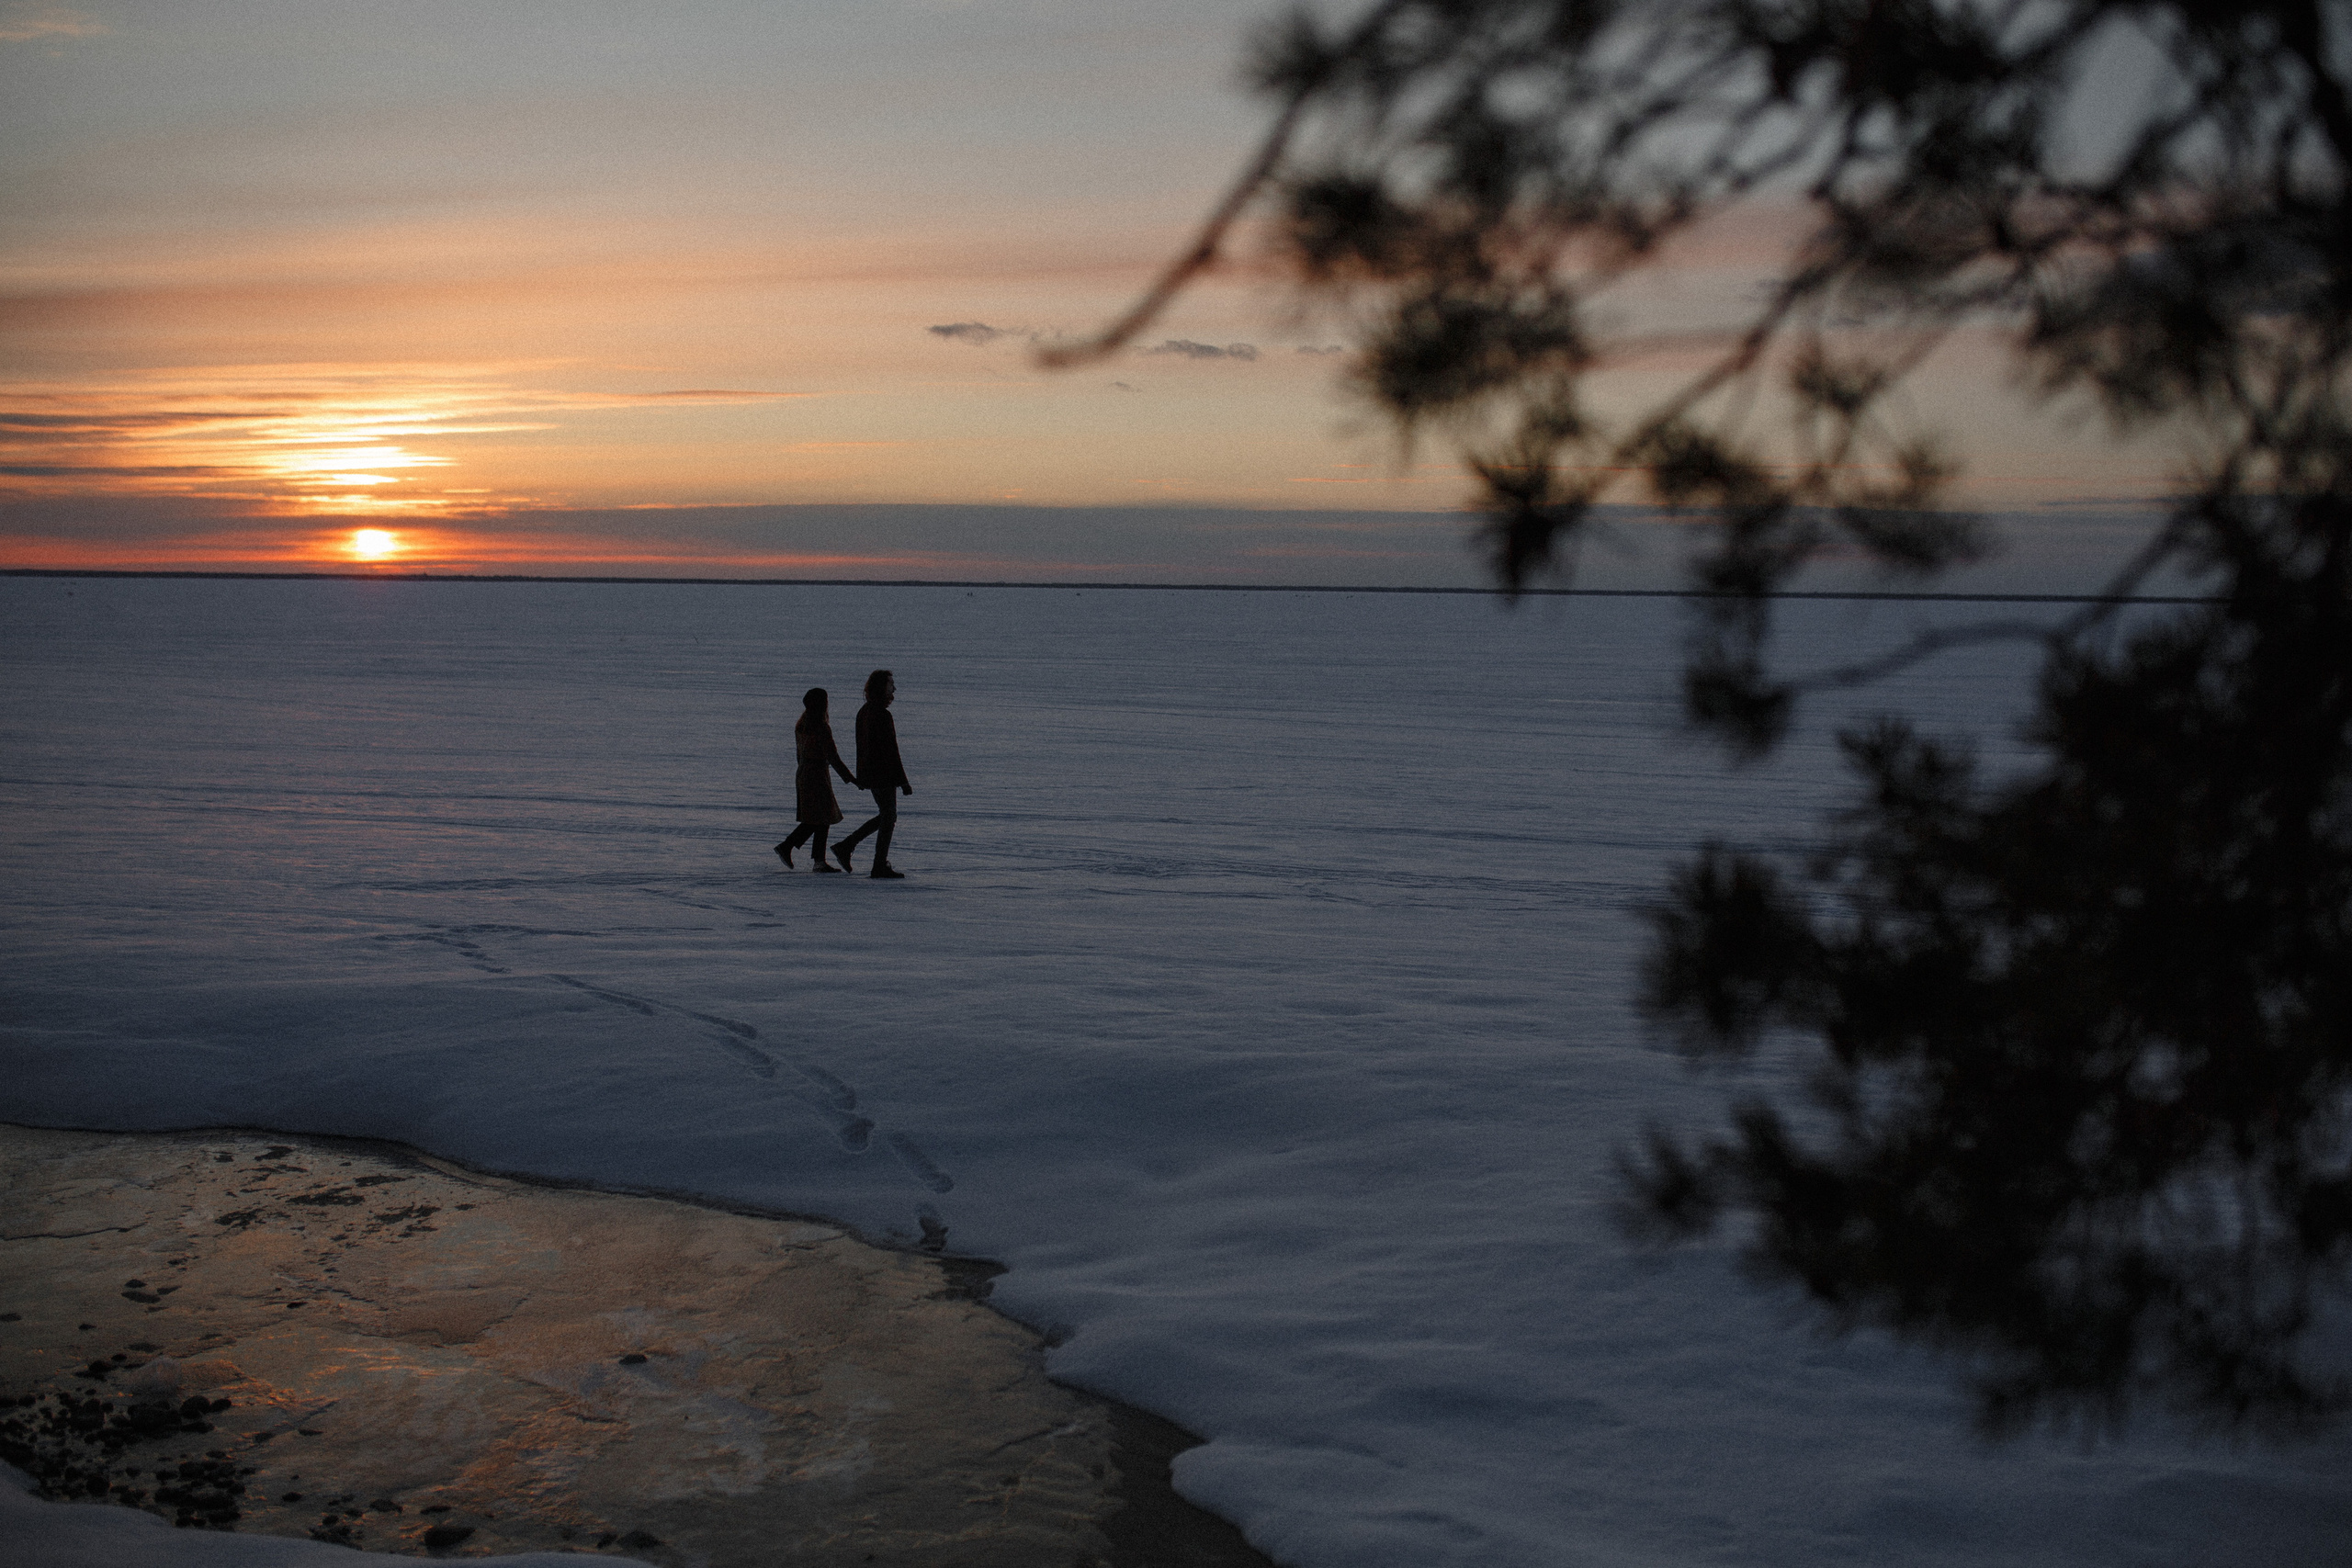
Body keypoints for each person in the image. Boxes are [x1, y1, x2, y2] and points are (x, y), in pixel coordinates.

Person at [834, 669, 910, 879]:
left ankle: (848, 846)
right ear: (881, 687)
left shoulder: (865, 711)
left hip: (871, 773)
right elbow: (891, 751)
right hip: (883, 774)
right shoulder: (881, 715)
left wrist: (862, 775)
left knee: (887, 815)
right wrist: (903, 781)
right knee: (889, 816)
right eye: (890, 685)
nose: (894, 688)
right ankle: (875, 863)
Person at [775, 687, 858, 872]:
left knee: (819, 817)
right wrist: (851, 778)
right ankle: (792, 848)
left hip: (804, 772)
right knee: (821, 817)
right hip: (817, 775)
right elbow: (832, 756)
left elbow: (800, 754)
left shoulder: (802, 724)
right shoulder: (821, 727)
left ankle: (815, 859)